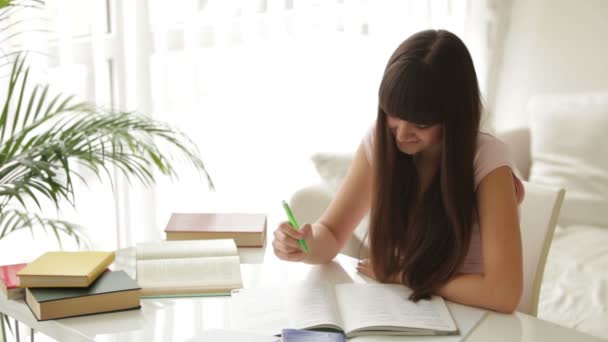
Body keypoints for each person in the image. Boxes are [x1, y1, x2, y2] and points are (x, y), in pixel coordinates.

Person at [272, 29, 525, 313]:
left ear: (454, 116)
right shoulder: (381, 142)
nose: (403, 134)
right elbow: (330, 234)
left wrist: (407, 276)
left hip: (473, 317)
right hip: (407, 309)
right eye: (394, 115)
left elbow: (503, 294)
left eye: (421, 123)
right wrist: (303, 244)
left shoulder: (486, 159)